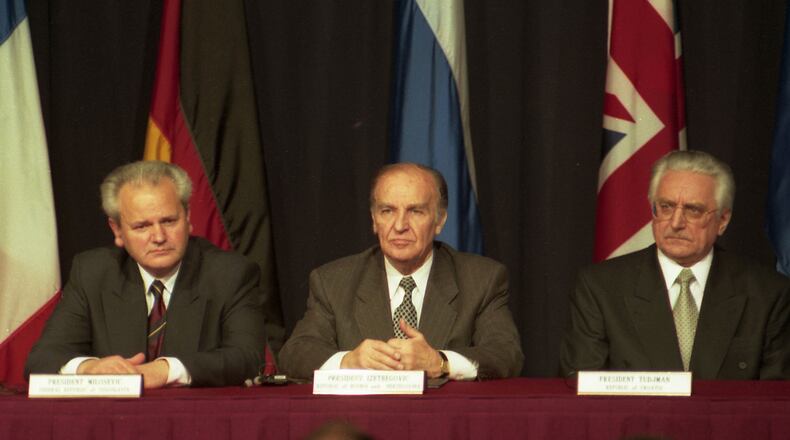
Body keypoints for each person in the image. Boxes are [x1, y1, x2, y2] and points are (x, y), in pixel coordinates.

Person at [25, 161, 267, 388]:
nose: (159, 237)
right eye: (142, 226)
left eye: (169, 221)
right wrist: (89, 367)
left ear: (188, 218)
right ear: (117, 230)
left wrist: (164, 370)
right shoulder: (93, 272)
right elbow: (42, 359)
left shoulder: (229, 273)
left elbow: (246, 358)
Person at [279, 162, 523, 380]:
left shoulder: (482, 279)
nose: (399, 226)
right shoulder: (333, 282)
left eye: (415, 211)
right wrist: (348, 361)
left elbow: (506, 354)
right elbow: (295, 353)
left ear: (439, 221)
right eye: (387, 211)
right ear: (374, 220)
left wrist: (440, 362)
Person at [560, 150, 790, 379]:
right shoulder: (600, 287)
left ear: (722, 220)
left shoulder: (767, 294)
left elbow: (775, 401)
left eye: (693, 210)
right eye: (666, 207)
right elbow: (583, 392)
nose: (676, 223)